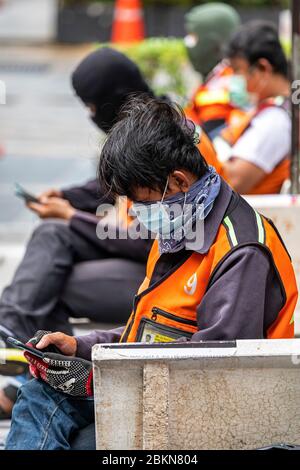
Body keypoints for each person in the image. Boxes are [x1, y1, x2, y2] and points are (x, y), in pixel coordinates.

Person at [6, 96, 298, 450]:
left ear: (177, 182)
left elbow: (215, 376)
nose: (135, 212)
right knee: (40, 394)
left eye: (140, 201)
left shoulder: (241, 251)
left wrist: (101, 379)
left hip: (202, 414)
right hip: (158, 386)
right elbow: (147, 332)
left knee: (52, 416)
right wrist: (80, 347)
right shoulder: (181, 229)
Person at [0, 47, 154, 417]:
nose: (89, 114)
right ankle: (19, 356)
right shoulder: (144, 127)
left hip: (158, 270)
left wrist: (72, 215)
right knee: (51, 240)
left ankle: (25, 364)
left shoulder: (161, 140)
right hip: (131, 252)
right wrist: (68, 200)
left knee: (50, 277)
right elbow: (111, 187)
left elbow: (151, 241)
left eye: (91, 104)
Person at [217, 21, 291, 194]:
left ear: (262, 68)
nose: (233, 79)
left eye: (237, 70)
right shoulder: (274, 110)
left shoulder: (274, 122)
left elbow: (232, 181)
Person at [184, 3, 244, 137]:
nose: (187, 43)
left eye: (193, 37)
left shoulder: (224, 86)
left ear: (216, 45)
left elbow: (204, 135)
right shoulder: (216, 77)